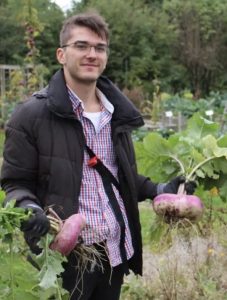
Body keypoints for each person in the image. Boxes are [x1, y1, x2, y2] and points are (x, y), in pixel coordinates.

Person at [0, 12, 195, 300]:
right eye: (81, 46)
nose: (92, 54)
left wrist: (159, 190)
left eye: (99, 48)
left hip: (114, 251)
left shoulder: (117, 113)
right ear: (61, 54)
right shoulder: (31, 115)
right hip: (66, 256)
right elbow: (15, 182)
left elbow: (117, 173)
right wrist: (29, 207)